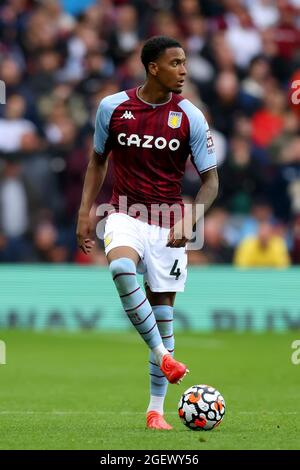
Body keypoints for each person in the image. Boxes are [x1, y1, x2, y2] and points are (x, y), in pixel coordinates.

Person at [76, 36, 218, 430]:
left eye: (185, 62)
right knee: (121, 269)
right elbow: (96, 162)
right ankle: (162, 354)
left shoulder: (190, 115)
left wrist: (191, 219)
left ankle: (156, 411)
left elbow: (211, 182)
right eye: (176, 63)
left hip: (170, 223)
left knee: (164, 313)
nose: (184, 70)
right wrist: (85, 212)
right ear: (153, 67)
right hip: (125, 213)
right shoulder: (113, 107)